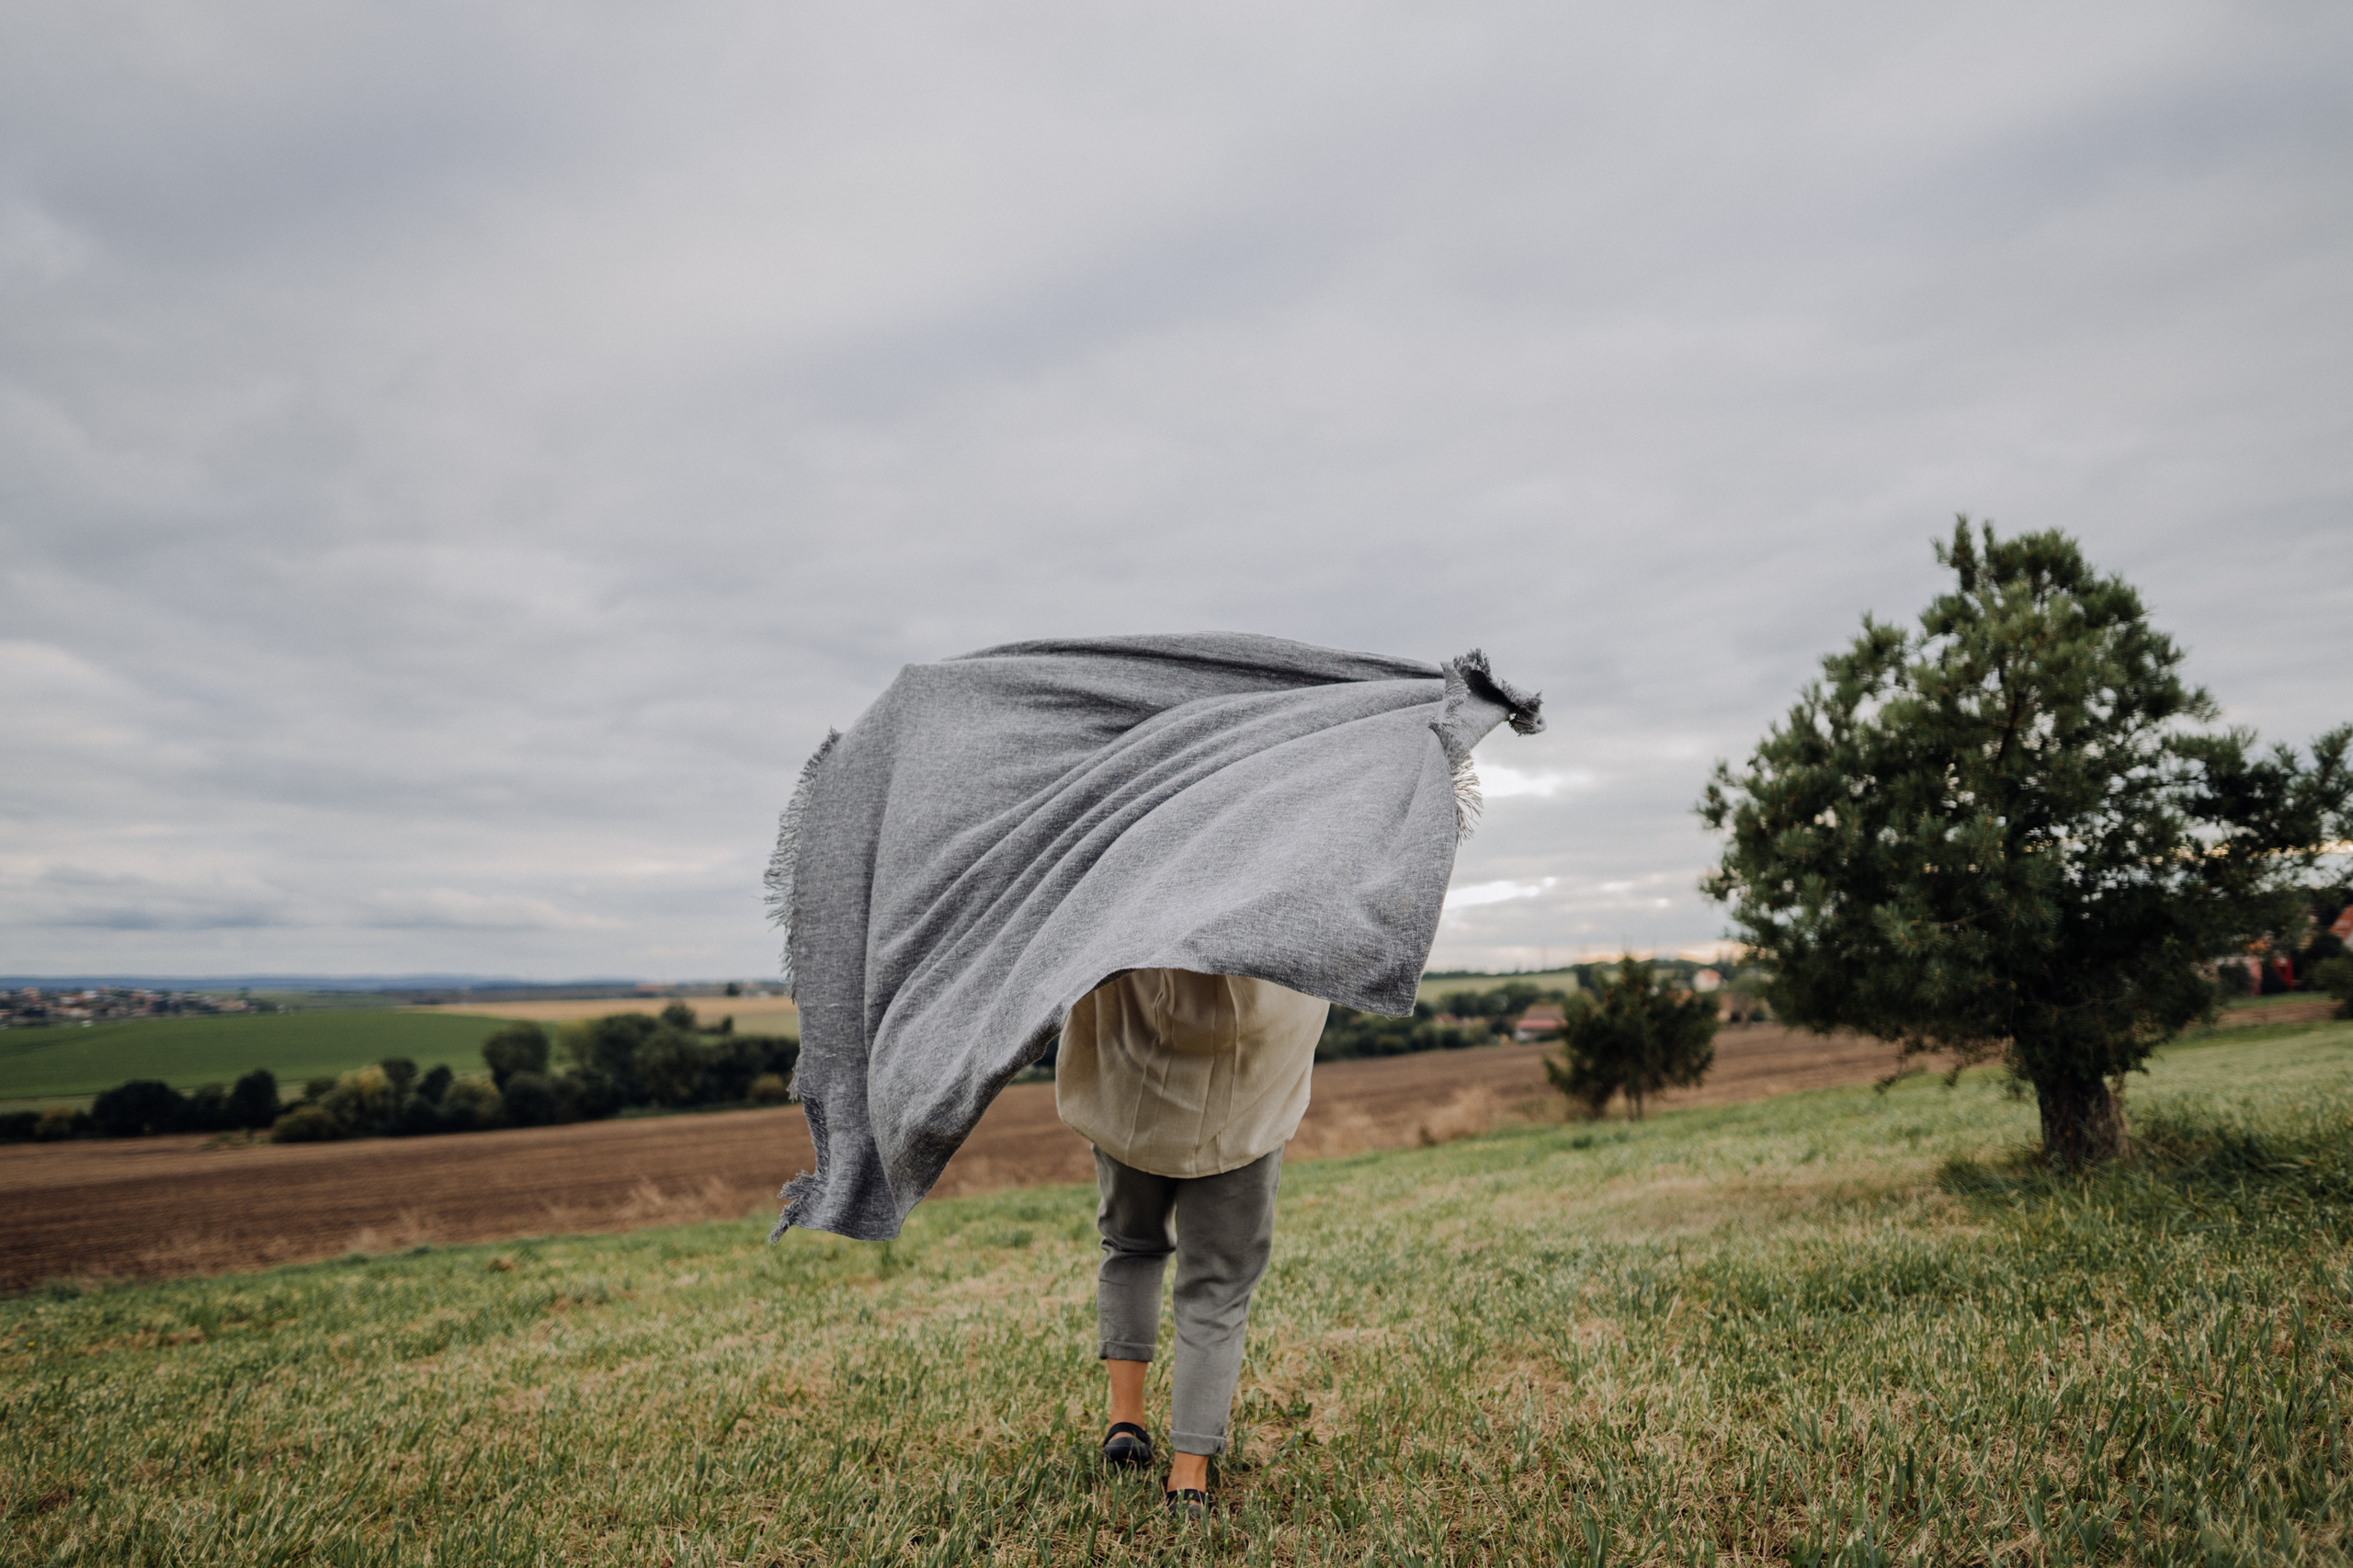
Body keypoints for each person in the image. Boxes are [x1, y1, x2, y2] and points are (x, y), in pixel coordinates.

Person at [1052, 966, 1330, 1522]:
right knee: (1217, 1288)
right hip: (1246, 1086)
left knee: (1131, 1244)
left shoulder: (1121, 875)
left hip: (1132, 1076)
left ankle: (1125, 1422)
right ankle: (1187, 1476)